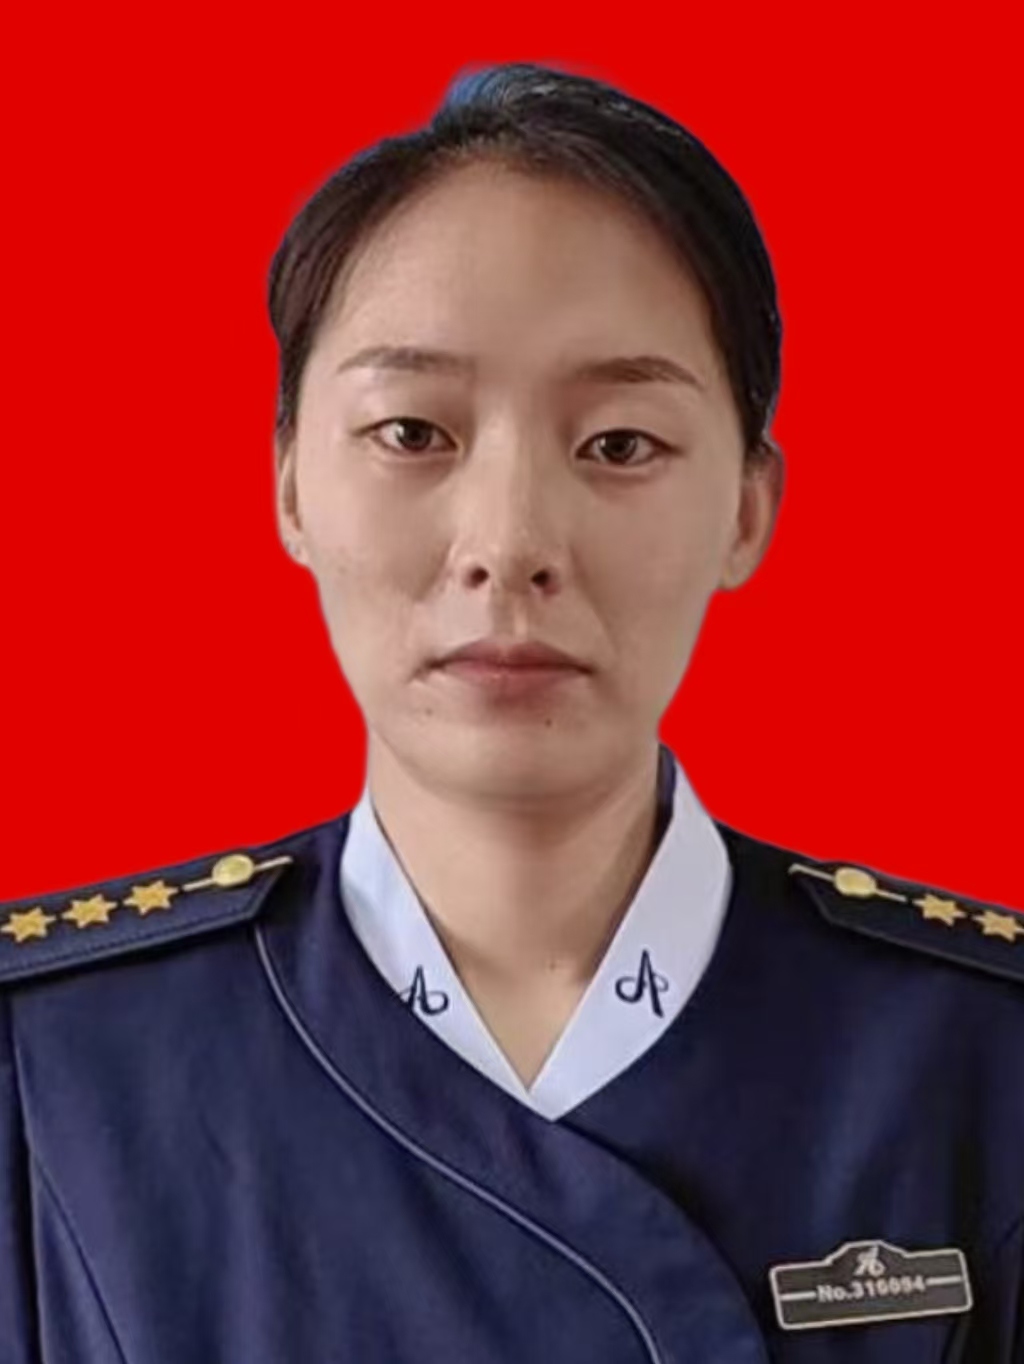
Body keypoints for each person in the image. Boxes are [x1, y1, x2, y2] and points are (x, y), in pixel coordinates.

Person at [1, 58, 1021, 1364]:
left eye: (619, 445)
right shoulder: (52, 1068)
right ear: (291, 486)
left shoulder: (979, 1057)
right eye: (413, 433)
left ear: (748, 509)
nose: (510, 544)